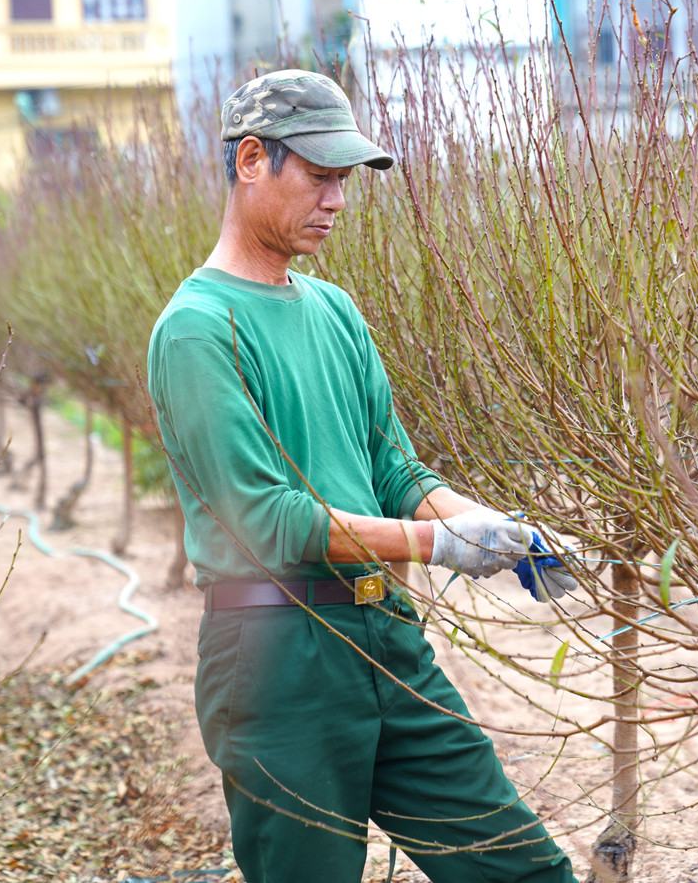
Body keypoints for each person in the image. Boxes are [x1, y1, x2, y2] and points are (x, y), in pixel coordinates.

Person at [146, 69, 580, 883]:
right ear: (250, 161)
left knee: (521, 869)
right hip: (277, 657)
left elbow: (392, 464)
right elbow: (266, 520)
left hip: (385, 634)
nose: (337, 200)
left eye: (343, 180)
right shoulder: (197, 332)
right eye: (318, 176)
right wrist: (433, 542)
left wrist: (487, 524)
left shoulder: (336, 310)